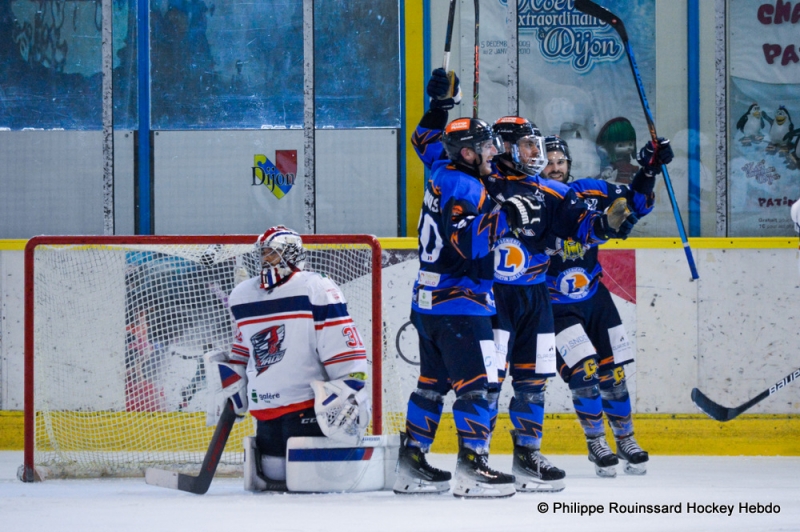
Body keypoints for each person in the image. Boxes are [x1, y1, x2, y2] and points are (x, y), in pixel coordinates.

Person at [410, 68, 635, 493]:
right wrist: (439, 107)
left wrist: (607, 223)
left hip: (536, 297)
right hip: (490, 298)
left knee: (534, 381)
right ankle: (478, 458)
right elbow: (429, 146)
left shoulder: (549, 191)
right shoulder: (481, 179)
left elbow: (583, 226)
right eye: (528, 144)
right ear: (502, 146)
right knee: (486, 383)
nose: (537, 153)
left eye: (537, 145)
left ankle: (526, 453)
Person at [395, 94, 547, 497]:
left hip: (427, 301)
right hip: (460, 305)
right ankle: (472, 466)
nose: (494, 152)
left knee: (431, 384)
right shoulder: (465, 186)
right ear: (467, 152)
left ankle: (411, 464)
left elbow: (424, 139)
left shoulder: (443, 167)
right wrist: (507, 215)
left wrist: (437, 107)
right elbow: (468, 244)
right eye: (485, 148)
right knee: (477, 386)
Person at [540, 134, 673, 477]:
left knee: (613, 371)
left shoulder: (590, 191)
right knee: (584, 369)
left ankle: (626, 439)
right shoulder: (532, 199)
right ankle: (596, 441)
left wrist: (649, 168)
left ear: (569, 164)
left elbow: (636, 203)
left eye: (560, 162)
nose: (554, 168)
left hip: (595, 296)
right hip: (555, 303)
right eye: (548, 162)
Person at [205, 225, 371, 491]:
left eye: (273, 253)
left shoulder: (314, 286)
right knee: (274, 479)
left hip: (307, 406)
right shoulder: (242, 295)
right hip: (266, 410)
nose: (266, 259)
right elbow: (242, 349)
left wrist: (350, 387)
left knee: (308, 484)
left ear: (292, 254)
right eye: (263, 253)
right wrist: (232, 384)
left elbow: (341, 344)